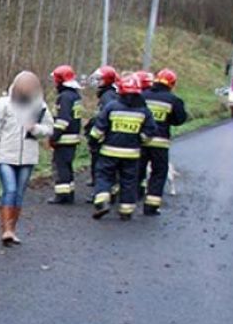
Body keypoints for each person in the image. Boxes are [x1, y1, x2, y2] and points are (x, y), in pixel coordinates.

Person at [0, 71, 54, 245]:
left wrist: (35, 129)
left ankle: (12, 230)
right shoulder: (3, 104)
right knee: (10, 189)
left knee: (19, 194)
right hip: (5, 156)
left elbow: (50, 128)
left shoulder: (39, 105)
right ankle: (5, 229)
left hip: (28, 158)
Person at [88, 73, 157, 221]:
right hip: (132, 154)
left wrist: (93, 142)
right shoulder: (144, 110)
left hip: (109, 152)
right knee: (129, 181)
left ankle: (102, 202)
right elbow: (151, 130)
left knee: (104, 176)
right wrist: (140, 140)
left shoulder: (111, 107)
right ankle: (126, 210)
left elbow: (99, 128)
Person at [140, 68, 188, 215]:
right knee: (159, 173)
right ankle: (151, 207)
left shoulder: (142, 96)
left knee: (136, 171)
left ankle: (127, 202)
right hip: (160, 143)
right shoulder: (173, 100)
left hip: (140, 140)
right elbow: (179, 120)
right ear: (172, 84)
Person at [46, 65, 83, 205]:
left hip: (64, 139)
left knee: (61, 167)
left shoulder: (65, 97)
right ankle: (69, 193)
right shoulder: (74, 96)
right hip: (72, 139)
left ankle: (62, 196)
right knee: (67, 166)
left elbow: (63, 120)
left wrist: (54, 136)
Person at [84, 65, 118, 200]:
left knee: (101, 168)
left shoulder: (108, 96)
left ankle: (101, 194)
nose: (96, 82)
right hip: (106, 137)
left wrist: (96, 135)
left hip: (103, 139)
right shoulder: (107, 95)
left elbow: (105, 117)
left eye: (100, 79)